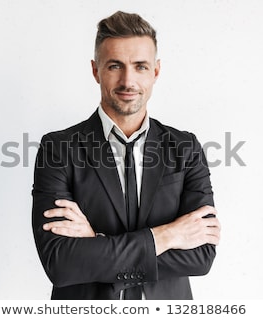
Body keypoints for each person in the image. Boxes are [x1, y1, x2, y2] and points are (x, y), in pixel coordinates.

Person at [32, 10, 221, 300]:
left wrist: (97, 245)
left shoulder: (186, 148)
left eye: (140, 66)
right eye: (115, 66)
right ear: (96, 70)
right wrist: (169, 235)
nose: (128, 81)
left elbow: (201, 256)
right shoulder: (58, 149)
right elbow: (61, 262)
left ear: (156, 71)